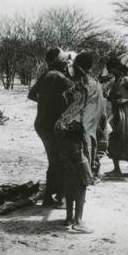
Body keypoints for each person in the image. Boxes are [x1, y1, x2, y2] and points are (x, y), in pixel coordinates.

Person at [55, 52, 104, 233]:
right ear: (91, 66)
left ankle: (68, 218)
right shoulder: (93, 85)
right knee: (82, 179)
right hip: (82, 136)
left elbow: (64, 107)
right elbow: (100, 114)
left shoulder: (72, 86)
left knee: (69, 176)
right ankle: (78, 221)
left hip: (64, 134)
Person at [28, 48, 74, 207]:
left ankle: (50, 196)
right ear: (61, 63)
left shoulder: (46, 75)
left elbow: (31, 95)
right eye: (65, 62)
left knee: (54, 159)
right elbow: (75, 96)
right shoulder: (61, 78)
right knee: (59, 160)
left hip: (41, 123)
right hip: (52, 125)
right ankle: (57, 197)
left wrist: (45, 103)